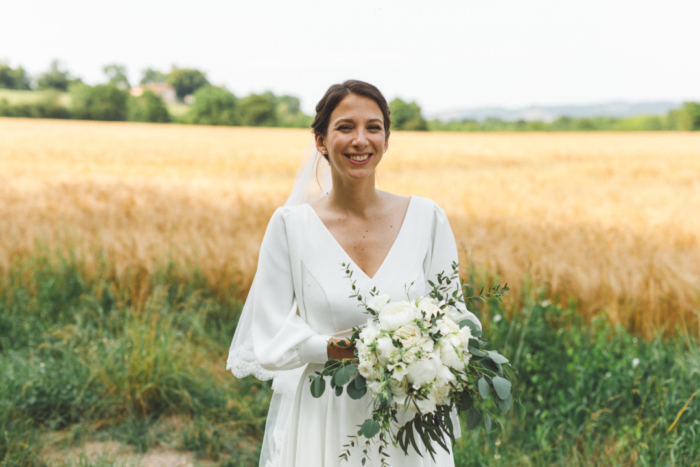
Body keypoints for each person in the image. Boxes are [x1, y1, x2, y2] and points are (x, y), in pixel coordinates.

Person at [227, 80, 481, 467]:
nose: (360, 140)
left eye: (373, 127)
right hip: (325, 411)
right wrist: (339, 348)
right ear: (321, 141)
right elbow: (271, 335)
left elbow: (454, 314)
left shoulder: (427, 218)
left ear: (386, 139)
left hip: (409, 415)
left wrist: (437, 348)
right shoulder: (290, 226)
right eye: (345, 127)